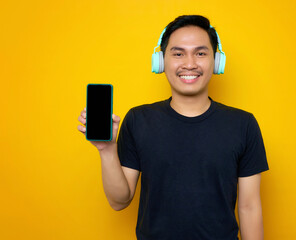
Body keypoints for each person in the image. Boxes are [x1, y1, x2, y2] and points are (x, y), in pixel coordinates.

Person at [77, 15, 269, 240]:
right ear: (160, 61)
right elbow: (119, 201)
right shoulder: (138, 120)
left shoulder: (243, 124)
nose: (190, 63)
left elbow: (249, 207)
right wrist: (107, 150)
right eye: (178, 53)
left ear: (216, 62)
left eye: (200, 53)